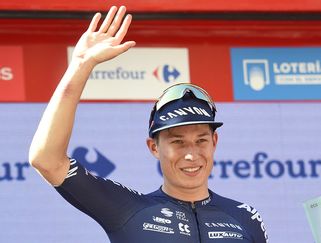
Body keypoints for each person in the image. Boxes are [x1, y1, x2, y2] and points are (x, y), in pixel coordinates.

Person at [29, 6, 268, 243]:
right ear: (154, 147)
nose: (191, 154)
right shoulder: (126, 210)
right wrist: (80, 65)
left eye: (201, 140)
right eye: (178, 142)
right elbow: (46, 160)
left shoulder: (245, 218)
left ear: (214, 142)